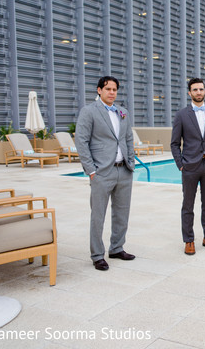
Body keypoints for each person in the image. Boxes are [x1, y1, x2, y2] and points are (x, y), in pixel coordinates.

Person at [75, 76, 136, 271]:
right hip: (101, 172)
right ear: (99, 90)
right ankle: (97, 254)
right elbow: (81, 141)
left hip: (123, 170)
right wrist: (91, 170)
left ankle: (117, 248)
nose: (112, 92)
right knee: (98, 215)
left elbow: (128, 139)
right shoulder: (89, 111)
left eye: (114, 89)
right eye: (108, 89)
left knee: (122, 213)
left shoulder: (123, 112)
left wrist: (131, 163)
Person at [171, 78, 205, 255]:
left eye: (201, 89)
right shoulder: (181, 115)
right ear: (189, 93)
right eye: (195, 90)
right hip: (190, 167)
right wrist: (181, 165)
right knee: (188, 205)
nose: (199, 92)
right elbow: (174, 143)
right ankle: (189, 240)